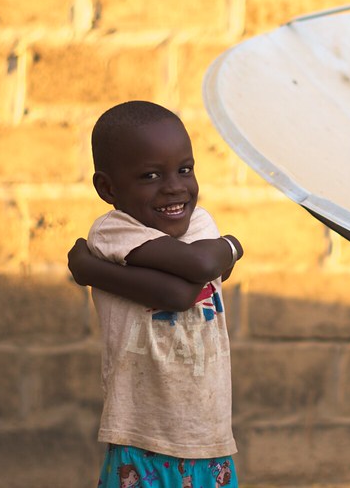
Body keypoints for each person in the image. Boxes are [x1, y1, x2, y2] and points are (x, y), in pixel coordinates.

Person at [67, 100, 243, 488]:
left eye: (185, 169)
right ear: (108, 188)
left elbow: (200, 270)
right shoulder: (114, 231)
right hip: (142, 435)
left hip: (209, 436)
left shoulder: (198, 222)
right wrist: (225, 250)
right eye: (150, 175)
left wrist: (228, 246)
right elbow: (183, 288)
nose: (174, 187)